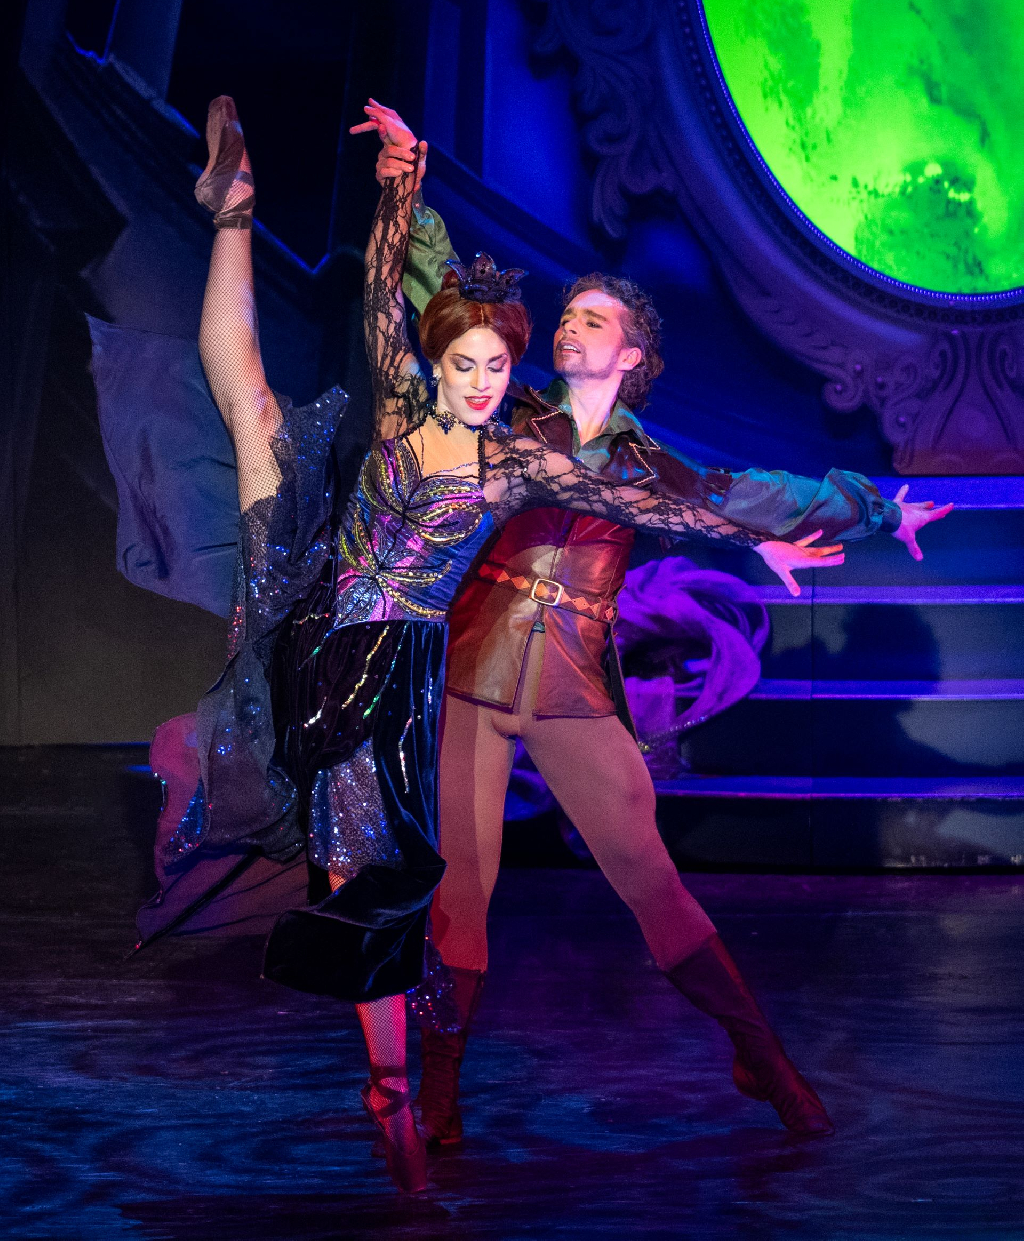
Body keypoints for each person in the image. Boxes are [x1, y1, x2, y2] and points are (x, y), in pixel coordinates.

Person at [185, 96, 844, 1193]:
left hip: (433, 673)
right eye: (472, 362)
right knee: (249, 406)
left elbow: (657, 504)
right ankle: (233, 211)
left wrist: (755, 543)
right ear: (443, 362)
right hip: (360, 636)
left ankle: (414, 1090)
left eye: (501, 364)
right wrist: (399, 190)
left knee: (407, 881)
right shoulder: (414, 408)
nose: (488, 380)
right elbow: (384, 300)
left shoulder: (521, 463)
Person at [364, 112, 954, 1154]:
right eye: (568, 315)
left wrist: (877, 509)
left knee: (650, 879)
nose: (570, 327)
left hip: (572, 688)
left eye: (593, 319)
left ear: (630, 355)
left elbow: (759, 493)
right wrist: (409, 190)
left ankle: (761, 1055)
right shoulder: (509, 416)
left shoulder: (650, 466)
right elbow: (448, 305)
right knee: (463, 893)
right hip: (471, 675)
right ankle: (442, 1089)